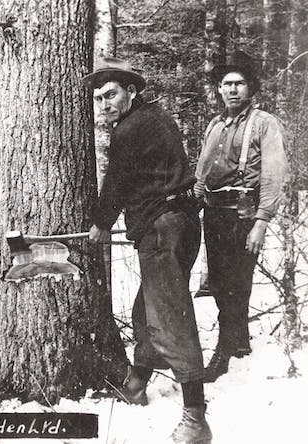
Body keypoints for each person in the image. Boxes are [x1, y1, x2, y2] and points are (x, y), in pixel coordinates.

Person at [84, 58, 211, 444]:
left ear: (131, 92)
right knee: (148, 309)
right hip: (177, 222)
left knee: (170, 317)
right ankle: (136, 383)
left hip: (162, 228)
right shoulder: (154, 117)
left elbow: (117, 182)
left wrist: (101, 223)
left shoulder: (131, 128)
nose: (104, 104)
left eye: (111, 95)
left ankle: (196, 418)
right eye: (98, 99)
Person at [195, 51, 289, 383]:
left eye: (239, 83)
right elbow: (202, 170)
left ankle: (222, 355)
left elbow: (273, 175)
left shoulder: (264, 123)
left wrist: (262, 222)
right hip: (214, 213)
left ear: (250, 88)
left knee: (236, 283)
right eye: (226, 84)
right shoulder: (215, 124)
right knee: (220, 283)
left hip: (244, 214)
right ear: (218, 89)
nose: (233, 90)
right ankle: (239, 342)